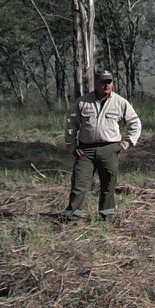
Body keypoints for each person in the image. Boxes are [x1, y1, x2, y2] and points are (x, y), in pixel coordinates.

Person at [64, 70, 142, 221]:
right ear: (96, 83)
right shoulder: (82, 102)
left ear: (112, 83)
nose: (106, 85)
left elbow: (135, 124)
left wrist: (125, 144)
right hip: (85, 150)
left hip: (109, 149)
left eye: (109, 82)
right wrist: (72, 146)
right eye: (103, 82)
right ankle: (72, 216)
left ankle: (106, 216)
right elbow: (71, 125)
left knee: (108, 184)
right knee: (79, 183)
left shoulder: (120, 102)